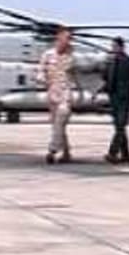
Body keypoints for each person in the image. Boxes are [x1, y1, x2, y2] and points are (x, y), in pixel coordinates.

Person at [37, 27, 76, 164]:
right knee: (58, 125)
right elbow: (41, 71)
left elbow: (84, 70)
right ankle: (66, 153)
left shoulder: (73, 56)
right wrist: (41, 78)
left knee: (61, 117)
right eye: (66, 38)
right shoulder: (47, 55)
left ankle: (52, 150)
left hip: (66, 92)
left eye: (69, 39)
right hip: (52, 93)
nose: (68, 41)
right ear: (58, 38)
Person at [99, 37, 129, 163]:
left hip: (125, 97)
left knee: (120, 126)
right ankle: (126, 154)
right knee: (119, 126)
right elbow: (105, 78)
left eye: (115, 46)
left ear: (122, 47)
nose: (113, 49)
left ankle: (112, 152)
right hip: (114, 98)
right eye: (112, 47)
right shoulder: (110, 63)